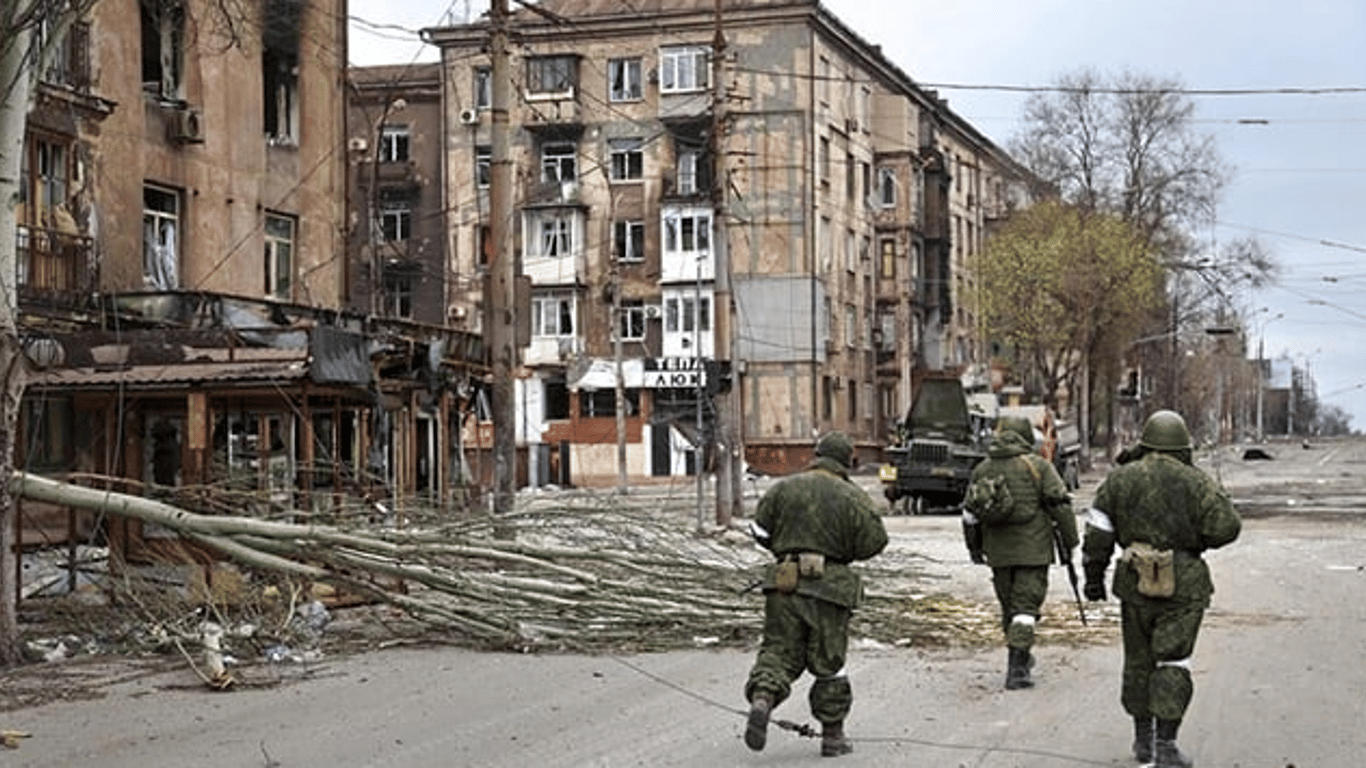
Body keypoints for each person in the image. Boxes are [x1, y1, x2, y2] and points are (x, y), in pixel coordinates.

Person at [1082, 410, 1241, 767]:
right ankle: (1167, 746)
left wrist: (1094, 576)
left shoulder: (1120, 480)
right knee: (1173, 660)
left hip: (1134, 582)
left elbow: (1099, 532)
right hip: (1183, 586)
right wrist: (1193, 541)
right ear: (1182, 443)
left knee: (1138, 659)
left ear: (1147, 440)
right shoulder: (1196, 482)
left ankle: (1143, 742)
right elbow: (1227, 528)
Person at [743, 431, 888, 757]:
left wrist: (785, 550)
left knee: (779, 651)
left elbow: (760, 531)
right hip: (830, 587)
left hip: (785, 581)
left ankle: (763, 699)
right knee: (829, 661)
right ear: (848, 459)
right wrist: (843, 553)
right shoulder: (854, 497)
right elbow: (875, 541)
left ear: (816, 453)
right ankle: (833, 737)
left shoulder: (784, 487)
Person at [961, 414, 1078, 690]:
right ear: (1026, 436)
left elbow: (970, 515)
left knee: (1009, 606)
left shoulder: (982, 469)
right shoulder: (1038, 467)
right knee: (1025, 609)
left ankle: (1020, 657)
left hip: (997, 552)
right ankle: (1017, 670)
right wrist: (1071, 544)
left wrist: (975, 549)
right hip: (1033, 551)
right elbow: (1060, 506)